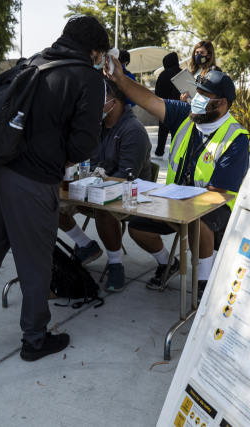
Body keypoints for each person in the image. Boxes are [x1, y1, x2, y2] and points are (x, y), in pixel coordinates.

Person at [0, 16, 109, 361]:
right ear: (94, 51)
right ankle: (35, 339)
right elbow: (83, 146)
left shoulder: (33, 61)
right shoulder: (88, 78)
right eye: (100, 55)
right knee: (35, 263)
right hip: (32, 182)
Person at [105, 57, 250, 301]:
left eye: (205, 96)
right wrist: (119, 78)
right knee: (138, 228)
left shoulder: (236, 138)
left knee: (198, 221)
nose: (197, 99)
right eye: (197, 93)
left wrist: (183, 205)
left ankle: (204, 282)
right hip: (174, 199)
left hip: (214, 208)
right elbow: (150, 101)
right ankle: (168, 263)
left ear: (222, 103)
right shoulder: (186, 114)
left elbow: (218, 195)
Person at [58, 79, 152, 292]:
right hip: (93, 189)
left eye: (97, 100)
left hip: (131, 195)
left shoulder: (133, 130)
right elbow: (82, 161)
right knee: (49, 202)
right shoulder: (94, 127)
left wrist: (89, 188)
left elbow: (126, 178)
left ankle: (116, 264)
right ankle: (86, 245)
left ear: (115, 102)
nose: (91, 105)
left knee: (103, 207)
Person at [153, 52, 182, 159]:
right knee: (177, 132)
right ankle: (175, 154)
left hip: (165, 107)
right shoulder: (182, 74)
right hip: (181, 109)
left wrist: (155, 110)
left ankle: (159, 152)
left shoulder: (164, 74)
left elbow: (158, 93)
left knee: (163, 130)